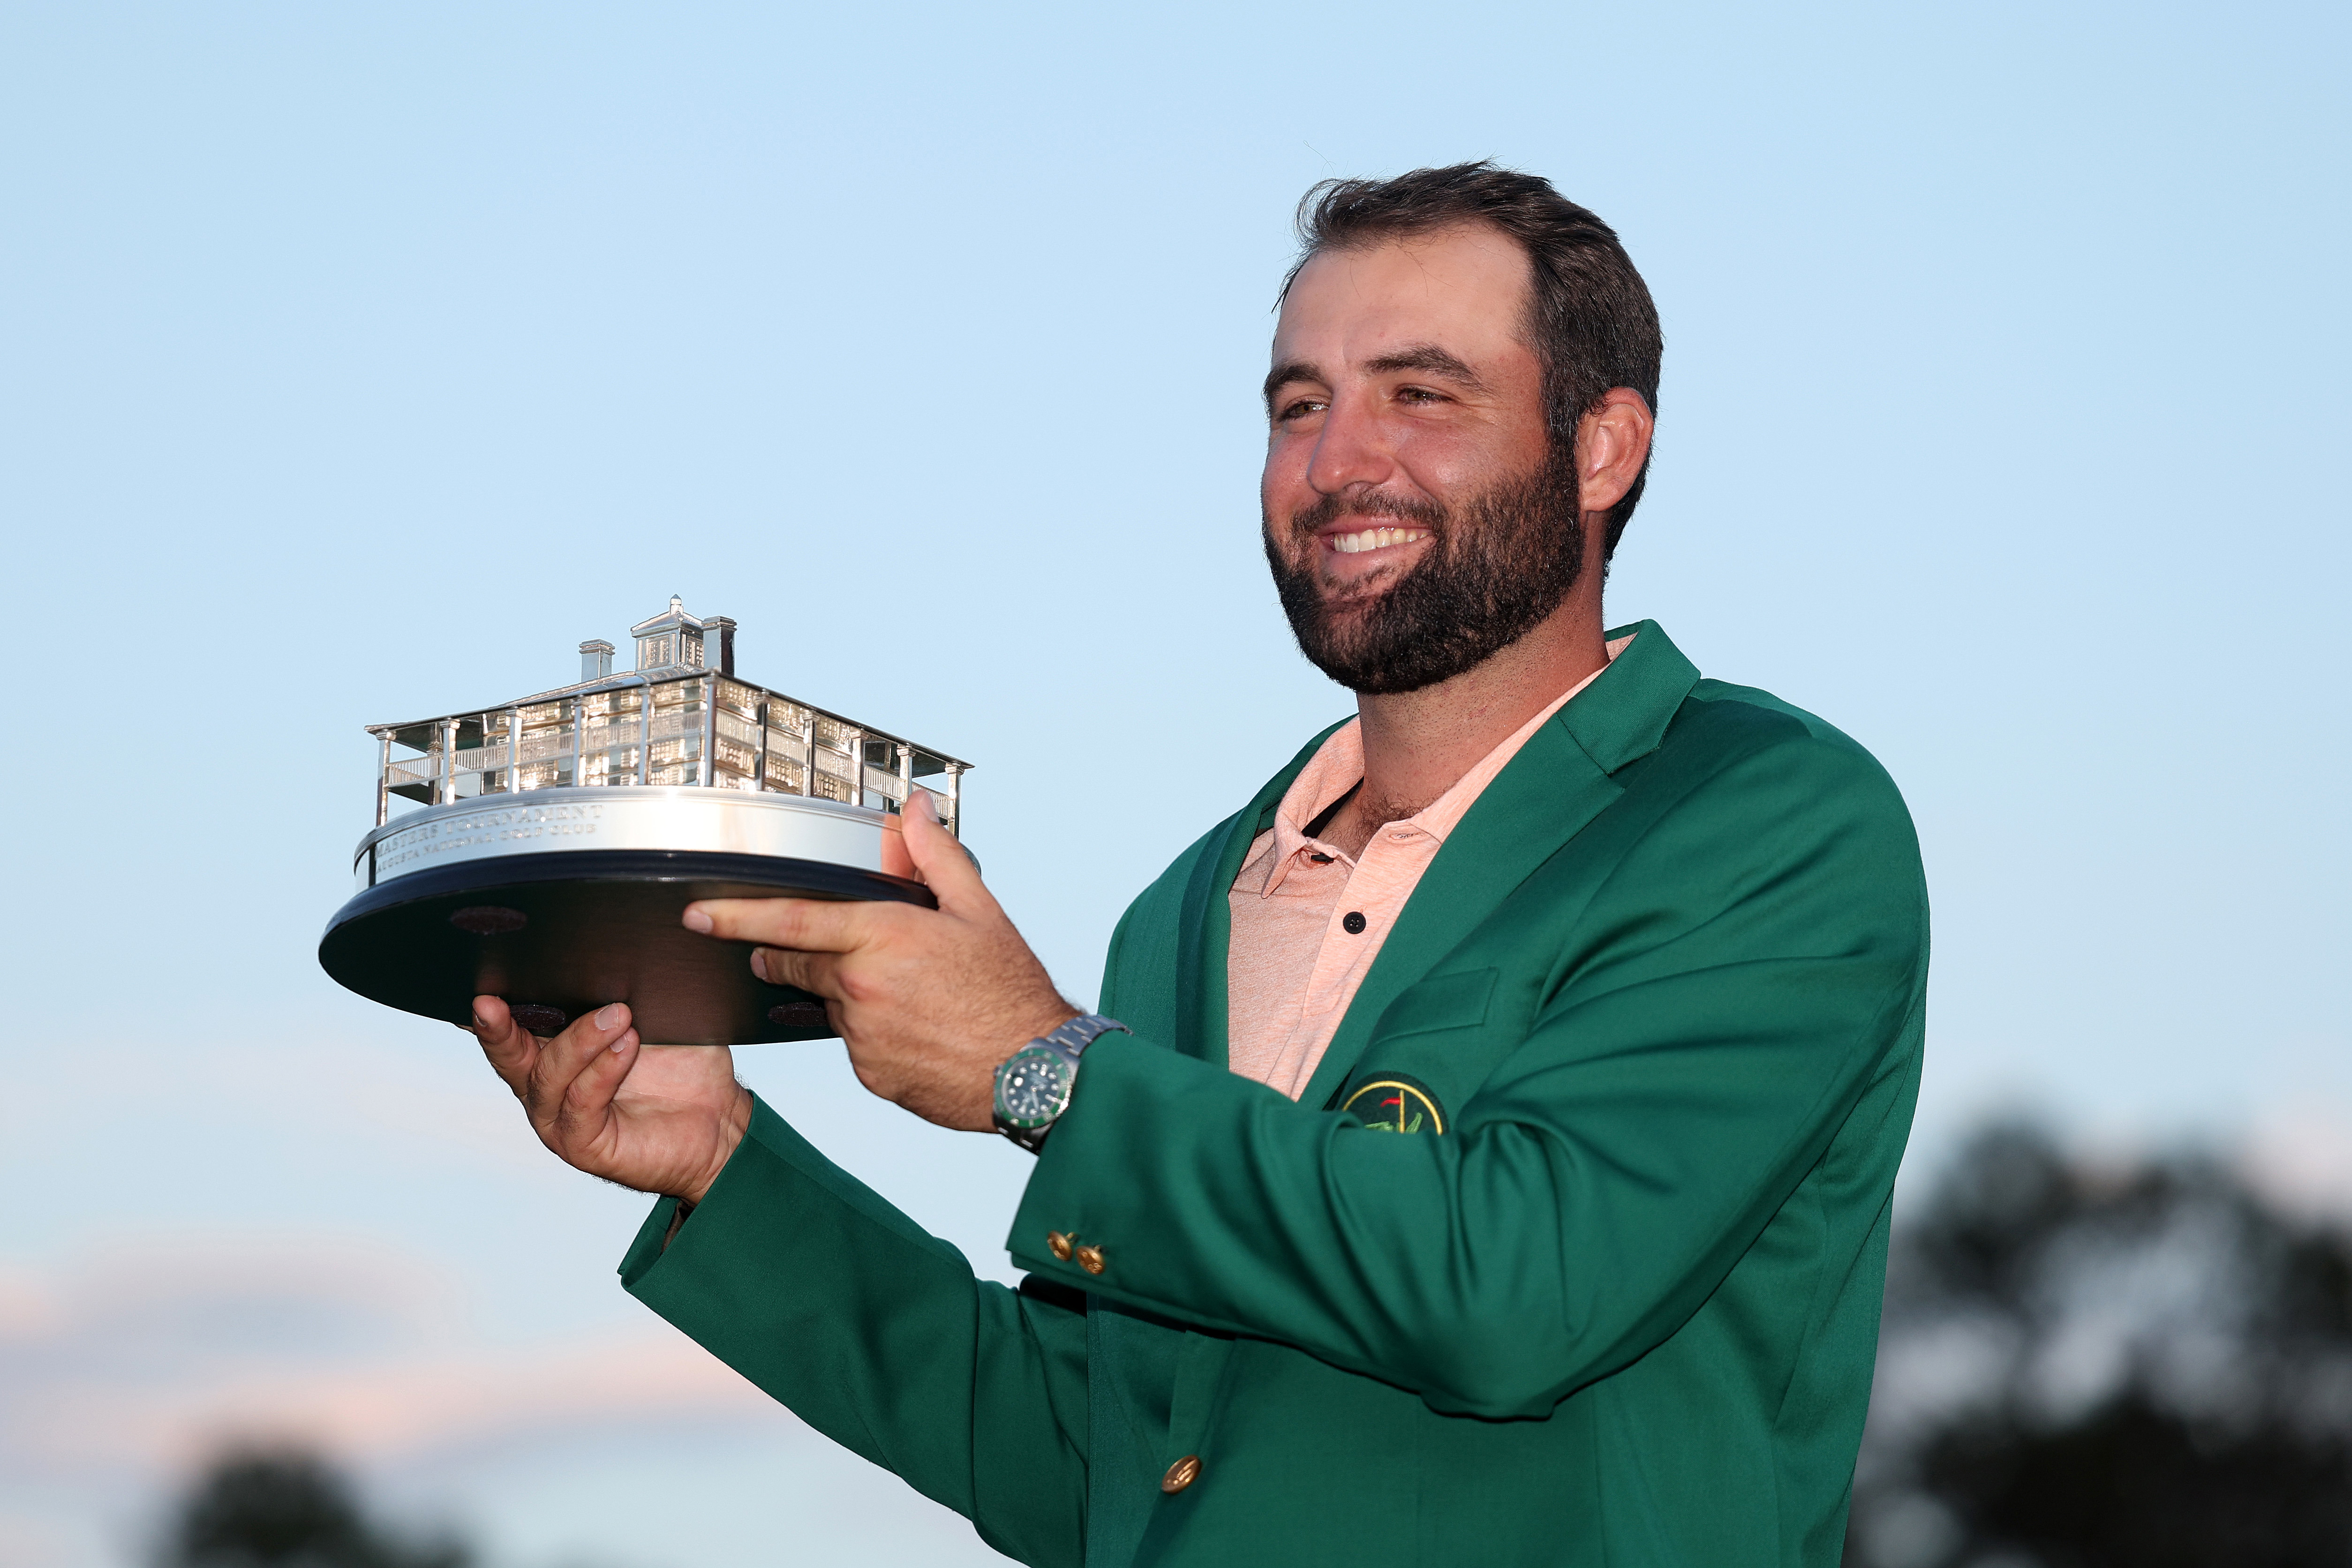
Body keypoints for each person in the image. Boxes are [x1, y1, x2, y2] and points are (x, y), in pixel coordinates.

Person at [470, 162, 1927, 1568]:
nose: (1339, 460)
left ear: (1603, 446)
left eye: (1421, 393)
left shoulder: (1764, 818)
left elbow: (1520, 1290)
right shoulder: (1183, 913)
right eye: (1301, 405)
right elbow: (1098, 1474)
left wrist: (1048, 1070)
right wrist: (726, 1173)